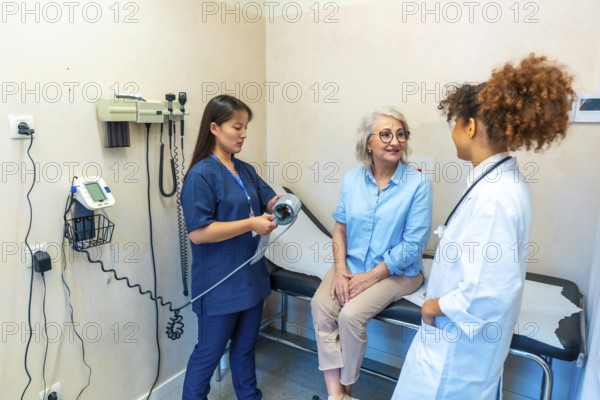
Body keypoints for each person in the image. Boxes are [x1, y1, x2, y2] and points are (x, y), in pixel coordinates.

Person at [392, 54, 575, 399]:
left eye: (456, 124)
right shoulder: (498, 180)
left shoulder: (495, 196)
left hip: (455, 356)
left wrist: (433, 306)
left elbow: (487, 293)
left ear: (471, 126)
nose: (453, 133)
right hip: (461, 348)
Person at [311, 107, 433, 400]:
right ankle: (335, 395)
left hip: (399, 272)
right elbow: (339, 228)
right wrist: (341, 269)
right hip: (351, 264)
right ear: (369, 142)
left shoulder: (418, 184)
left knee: (350, 315)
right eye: (386, 134)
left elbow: (412, 246)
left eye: (401, 134)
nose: (395, 141)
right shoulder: (353, 180)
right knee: (320, 306)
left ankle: (347, 387)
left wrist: (369, 277)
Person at [180, 94, 281, 399]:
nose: (244, 134)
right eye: (237, 127)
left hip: (251, 277)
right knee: (208, 354)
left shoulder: (244, 169)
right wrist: (251, 224)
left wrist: (279, 203)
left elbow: (267, 198)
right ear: (214, 127)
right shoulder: (201, 175)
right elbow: (199, 233)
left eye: (245, 127)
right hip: (219, 284)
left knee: (245, 348)